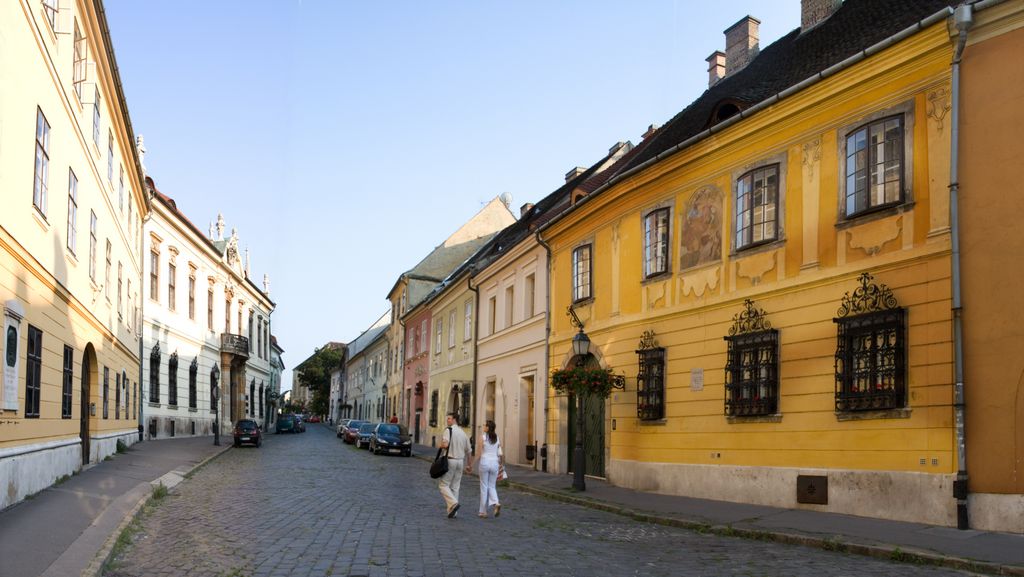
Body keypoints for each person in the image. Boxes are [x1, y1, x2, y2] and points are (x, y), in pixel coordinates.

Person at [438, 412, 472, 518]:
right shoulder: (463, 432)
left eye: (449, 419)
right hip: (460, 462)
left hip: (451, 460)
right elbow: (469, 451)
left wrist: (440, 444)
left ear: (454, 420)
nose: (447, 420)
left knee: (443, 485)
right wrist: (469, 465)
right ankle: (452, 511)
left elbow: (445, 445)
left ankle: (453, 503)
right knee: (455, 487)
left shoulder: (449, 430)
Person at [476, 420, 503, 518]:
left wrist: (472, 463)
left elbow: (479, 453)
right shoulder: (497, 438)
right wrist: (500, 464)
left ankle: (483, 512)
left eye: (485, 425)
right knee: (492, 486)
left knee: (484, 487)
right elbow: (500, 453)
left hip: (485, 463)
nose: (483, 426)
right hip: (495, 463)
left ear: (488, 428)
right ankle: (496, 502)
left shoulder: (483, 437)